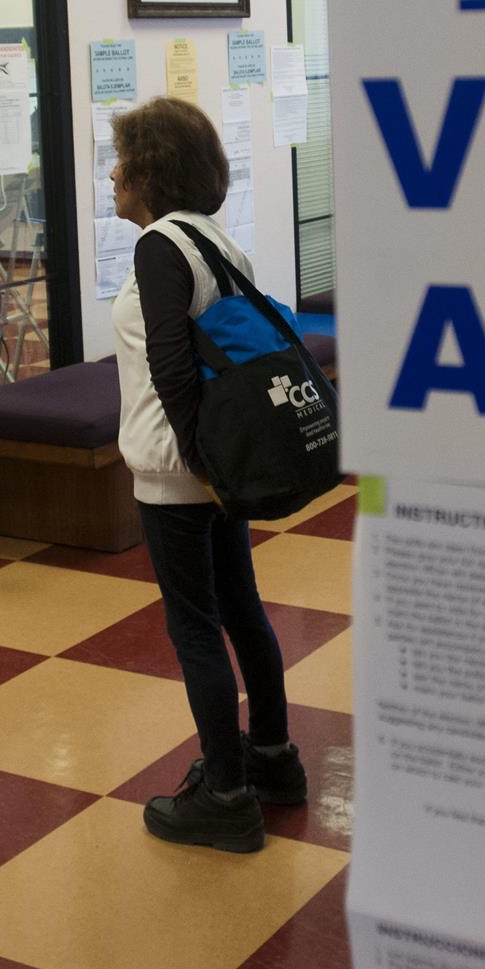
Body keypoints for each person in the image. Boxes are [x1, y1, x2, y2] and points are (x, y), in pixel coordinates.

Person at [110, 97, 307, 853]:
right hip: (218, 470)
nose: (113, 174)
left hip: (179, 475)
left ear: (151, 172)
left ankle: (223, 795)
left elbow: (167, 359)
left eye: (123, 161)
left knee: (194, 629)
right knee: (243, 611)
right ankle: (271, 759)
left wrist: (194, 459)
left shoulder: (159, 245)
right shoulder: (214, 241)